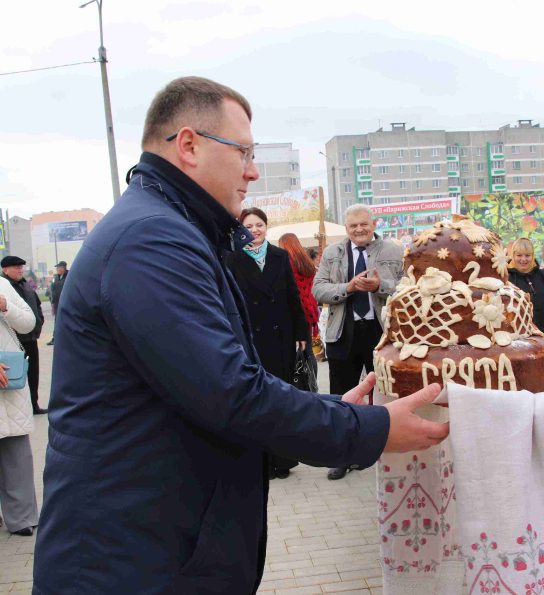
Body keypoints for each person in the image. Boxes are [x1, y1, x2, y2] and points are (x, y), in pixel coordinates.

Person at [32, 76, 448, 594]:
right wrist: (368, 430)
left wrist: (335, 410)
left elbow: (213, 381)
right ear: (189, 145)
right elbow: (231, 393)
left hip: (155, 544)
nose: (252, 171)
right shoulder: (151, 239)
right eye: (243, 152)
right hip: (131, 560)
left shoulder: (171, 227)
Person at [312, 204, 404, 480]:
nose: (359, 230)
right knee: (342, 396)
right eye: (353, 226)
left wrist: (380, 287)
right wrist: (347, 288)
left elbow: (410, 286)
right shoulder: (333, 253)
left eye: (364, 224)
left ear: (374, 224)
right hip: (344, 331)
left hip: (382, 331)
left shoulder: (393, 251)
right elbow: (318, 289)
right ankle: (343, 455)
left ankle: (387, 450)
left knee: (385, 391)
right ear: (346, 228)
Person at [226, 207, 308, 480]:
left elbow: (292, 297)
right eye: (249, 225)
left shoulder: (280, 256)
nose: (255, 229)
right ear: (241, 229)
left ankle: (283, 460)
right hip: (251, 339)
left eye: (259, 224)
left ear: (266, 226)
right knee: (259, 399)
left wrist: (301, 334)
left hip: (281, 336)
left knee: (282, 398)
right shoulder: (232, 259)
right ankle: (263, 461)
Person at [0, 274, 39, 536]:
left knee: (15, 452)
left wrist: (6, 307)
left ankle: (21, 517)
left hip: (8, 384)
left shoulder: (2, 285)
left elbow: (28, 324)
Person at [1, 257, 46, 414]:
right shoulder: (8, 285)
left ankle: (33, 404)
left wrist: (38, 322)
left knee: (32, 373)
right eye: (16, 267)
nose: (20, 270)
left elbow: (34, 309)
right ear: (5, 269)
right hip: (14, 341)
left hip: (28, 338)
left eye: (21, 267)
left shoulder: (21, 285)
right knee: (14, 375)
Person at [278, 232, 321, 373]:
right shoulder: (307, 262)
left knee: (295, 352)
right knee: (307, 351)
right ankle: (311, 381)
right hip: (309, 311)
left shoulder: (286, 263)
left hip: (294, 313)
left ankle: (300, 382)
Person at [507, 237, 544, 338]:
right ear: (513, 256)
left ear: (533, 256)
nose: (523, 259)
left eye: (527, 255)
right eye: (519, 255)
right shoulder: (507, 278)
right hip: (518, 336)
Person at [45, 261, 68, 346]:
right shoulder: (56, 277)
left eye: (59, 268)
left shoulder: (69, 276)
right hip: (57, 303)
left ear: (64, 268)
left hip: (66, 303)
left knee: (67, 320)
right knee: (57, 321)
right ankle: (55, 338)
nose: (57, 269)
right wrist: (52, 303)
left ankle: (68, 338)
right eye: (57, 268)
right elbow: (53, 290)